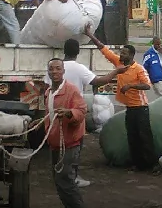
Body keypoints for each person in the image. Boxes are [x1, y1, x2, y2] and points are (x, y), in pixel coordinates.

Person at [43, 38, 128, 187]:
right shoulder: (78, 68)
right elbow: (99, 81)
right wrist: (116, 71)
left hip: (55, 109)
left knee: (56, 143)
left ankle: (59, 174)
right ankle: (72, 177)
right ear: (78, 52)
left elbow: (45, 87)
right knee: (75, 144)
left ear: (64, 51)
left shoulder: (54, 68)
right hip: (73, 110)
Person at [84, 23, 159, 172]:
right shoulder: (118, 63)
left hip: (140, 108)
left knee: (145, 137)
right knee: (132, 137)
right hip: (130, 108)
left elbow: (147, 86)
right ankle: (138, 164)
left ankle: (153, 165)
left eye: (124, 53)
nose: (121, 55)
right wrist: (89, 35)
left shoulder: (138, 69)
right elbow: (102, 48)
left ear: (131, 55)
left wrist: (130, 86)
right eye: (121, 53)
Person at [44, 58, 89, 208]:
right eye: (51, 69)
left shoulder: (71, 90)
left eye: (57, 69)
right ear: (48, 72)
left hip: (69, 143)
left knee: (65, 180)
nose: (54, 72)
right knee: (60, 180)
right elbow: (49, 116)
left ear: (63, 71)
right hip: (56, 143)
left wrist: (70, 113)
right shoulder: (49, 92)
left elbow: (82, 110)